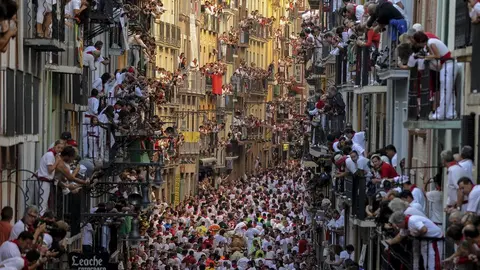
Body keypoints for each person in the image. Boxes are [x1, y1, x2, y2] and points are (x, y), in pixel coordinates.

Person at [412, 32, 456, 120]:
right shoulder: (430, 42)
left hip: (448, 65)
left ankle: (441, 114)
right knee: (448, 90)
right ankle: (450, 113)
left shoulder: (431, 42)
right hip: (448, 64)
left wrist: (424, 57)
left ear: (420, 41)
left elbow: (437, 55)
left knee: (445, 90)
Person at [37, 140, 64, 215]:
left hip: (46, 182)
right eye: (58, 147)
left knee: (44, 203)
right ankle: (40, 218)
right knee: (43, 203)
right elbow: (50, 169)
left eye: (61, 149)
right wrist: (57, 161)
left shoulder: (52, 155)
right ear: (55, 146)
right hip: (44, 181)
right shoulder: (50, 155)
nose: (60, 150)